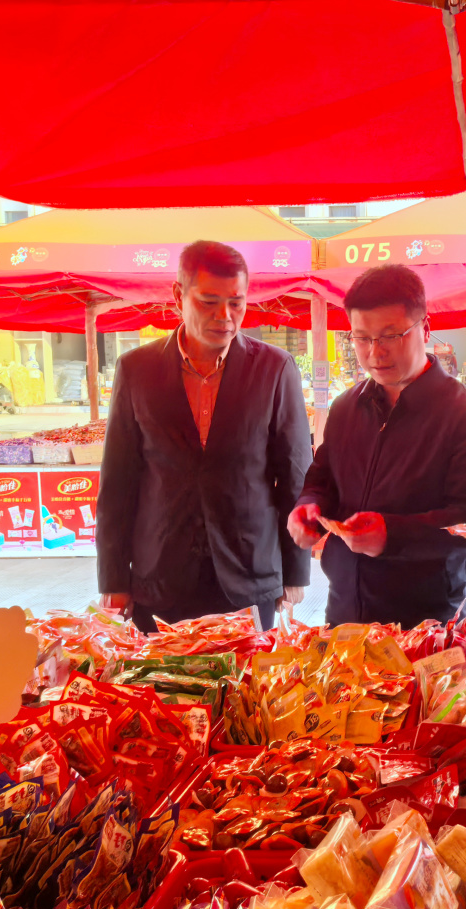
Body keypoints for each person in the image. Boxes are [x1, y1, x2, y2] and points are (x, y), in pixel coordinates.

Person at [97, 241, 312, 632]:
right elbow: (118, 484)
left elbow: (295, 477)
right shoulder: (136, 370)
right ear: (179, 295)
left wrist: (296, 569)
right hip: (160, 575)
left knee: (247, 690)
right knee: (163, 689)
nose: (225, 317)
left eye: (236, 302)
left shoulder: (275, 369)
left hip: (249, 574)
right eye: (209, 301)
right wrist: (113, 579)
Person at [288, 264, 466, 626]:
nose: (375, 353)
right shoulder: (346, 408)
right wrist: (308, 507)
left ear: (425, 328)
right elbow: (322, 477)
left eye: (390, 336)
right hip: (344, 611)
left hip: (427, 620)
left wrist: (393, 534)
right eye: (362, 338)